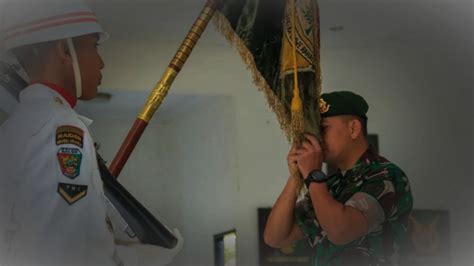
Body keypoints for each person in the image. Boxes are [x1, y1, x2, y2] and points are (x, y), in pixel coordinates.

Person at [0, 0, 182, 265]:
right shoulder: (60, 129)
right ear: (64, 49)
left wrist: (145, 255)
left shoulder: (18, 127)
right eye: (94, 46)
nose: (101, 62)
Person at [264, 91, 413, 265]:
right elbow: (275, 237)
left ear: (353, 128)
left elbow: (340, 232)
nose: (317, 138)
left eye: (323, 129)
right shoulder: (328, 185)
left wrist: (313, 175)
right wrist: (297, 177)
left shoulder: (386, 176)